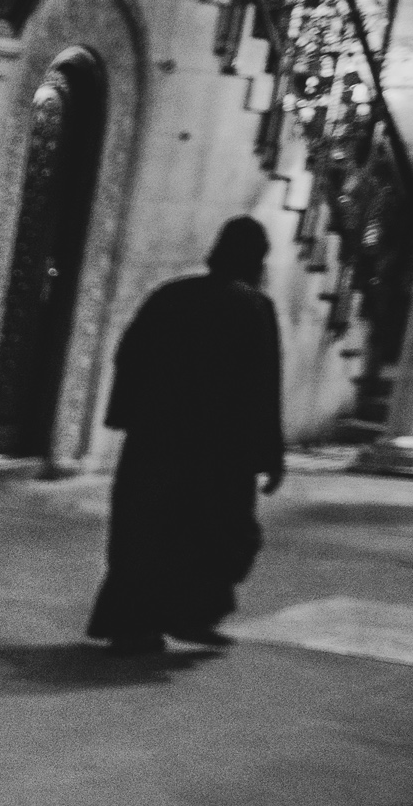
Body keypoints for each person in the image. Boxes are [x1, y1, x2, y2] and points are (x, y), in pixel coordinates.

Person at [86, 216, 285, 655]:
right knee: (211, 534)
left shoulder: (171, 295)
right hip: (218, 452)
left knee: (146, 532)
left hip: (155, 441)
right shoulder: (254, 308)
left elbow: (130, 356)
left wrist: (127, 416)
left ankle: (133, 625)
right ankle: (190, 614)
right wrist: (268, 455)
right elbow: (260, 387)